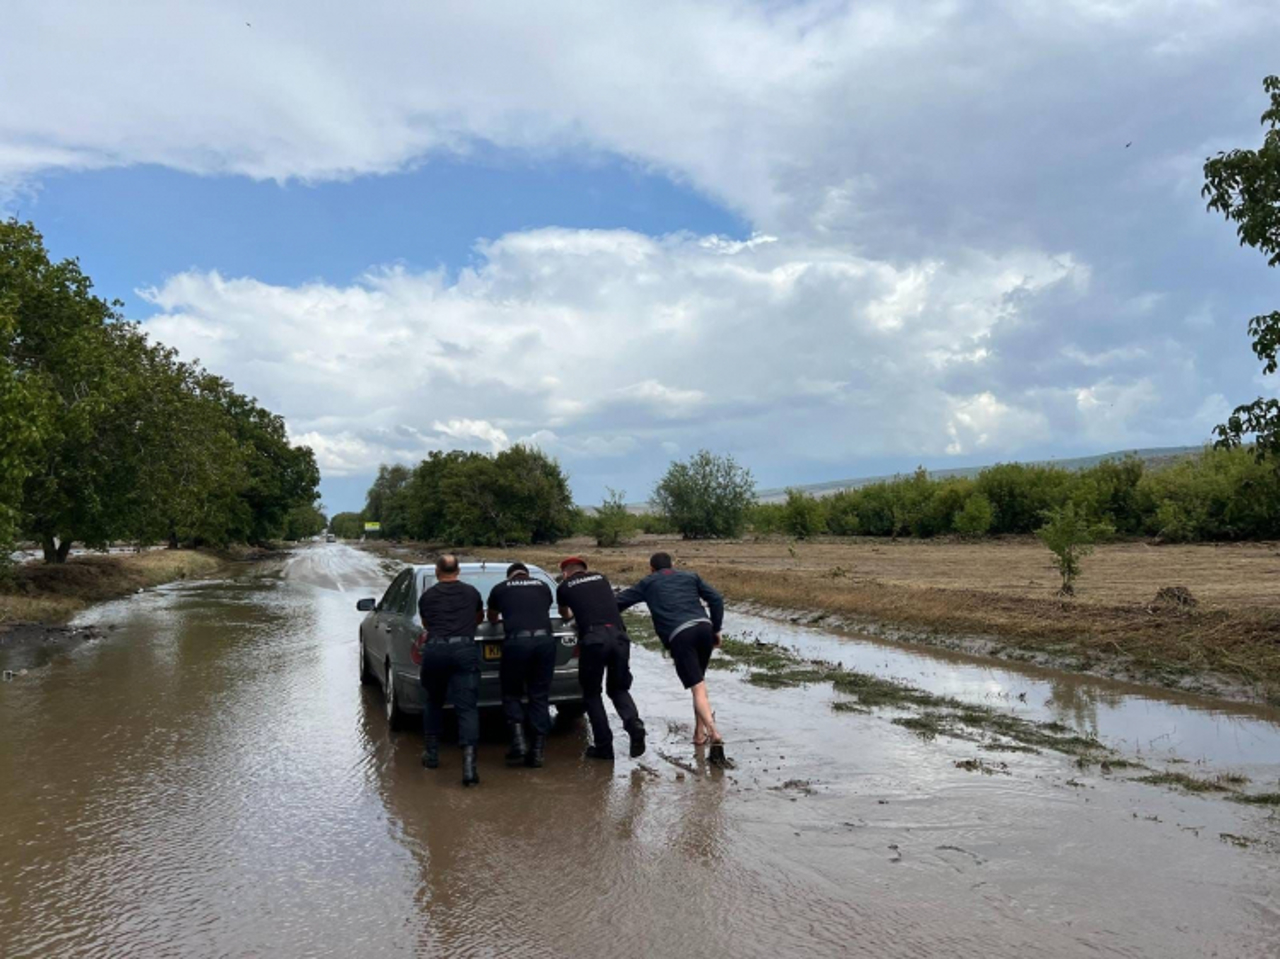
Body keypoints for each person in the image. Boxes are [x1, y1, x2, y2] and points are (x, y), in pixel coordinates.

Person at [616, 552, 727, 762]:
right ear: (673, 565)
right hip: (704, 629)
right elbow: (716, 599)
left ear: (651, 568)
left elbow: (619, 603)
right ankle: (698, 734)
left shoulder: (647, 583)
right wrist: (717, 629)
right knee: (700, 684)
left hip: (680, 635)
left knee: (697, 687)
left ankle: (714, 733)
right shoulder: (690, 577)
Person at [556, 556, 646, 760]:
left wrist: (574, 615)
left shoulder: (564, 587)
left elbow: (564, 614)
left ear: (565, 573)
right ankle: (634, 724)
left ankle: (604, 747)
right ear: (585, 570)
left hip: (594, 640)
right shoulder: (601, 578)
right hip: (620, 638)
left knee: (592, 694)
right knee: (618, 688)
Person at [418, 553, 484, 786]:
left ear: (437, 572)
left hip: (435, 651)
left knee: (434, 701)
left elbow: (426, 624)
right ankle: (468, 767)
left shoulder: (427, 596)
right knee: (467, 708)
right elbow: (479, 617)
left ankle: (432, 755)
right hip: (464, 650)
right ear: (458, 571)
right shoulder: (472, 593)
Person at [487, 562, 556, 768]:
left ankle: (518, 743)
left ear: (510, 576)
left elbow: (492, 617)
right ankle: (537, 752)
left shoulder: (500, 588)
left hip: (517, 642)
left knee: (511, 693)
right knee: (539, 695)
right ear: (526, 574)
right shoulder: (543, 586)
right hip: (545, 642)